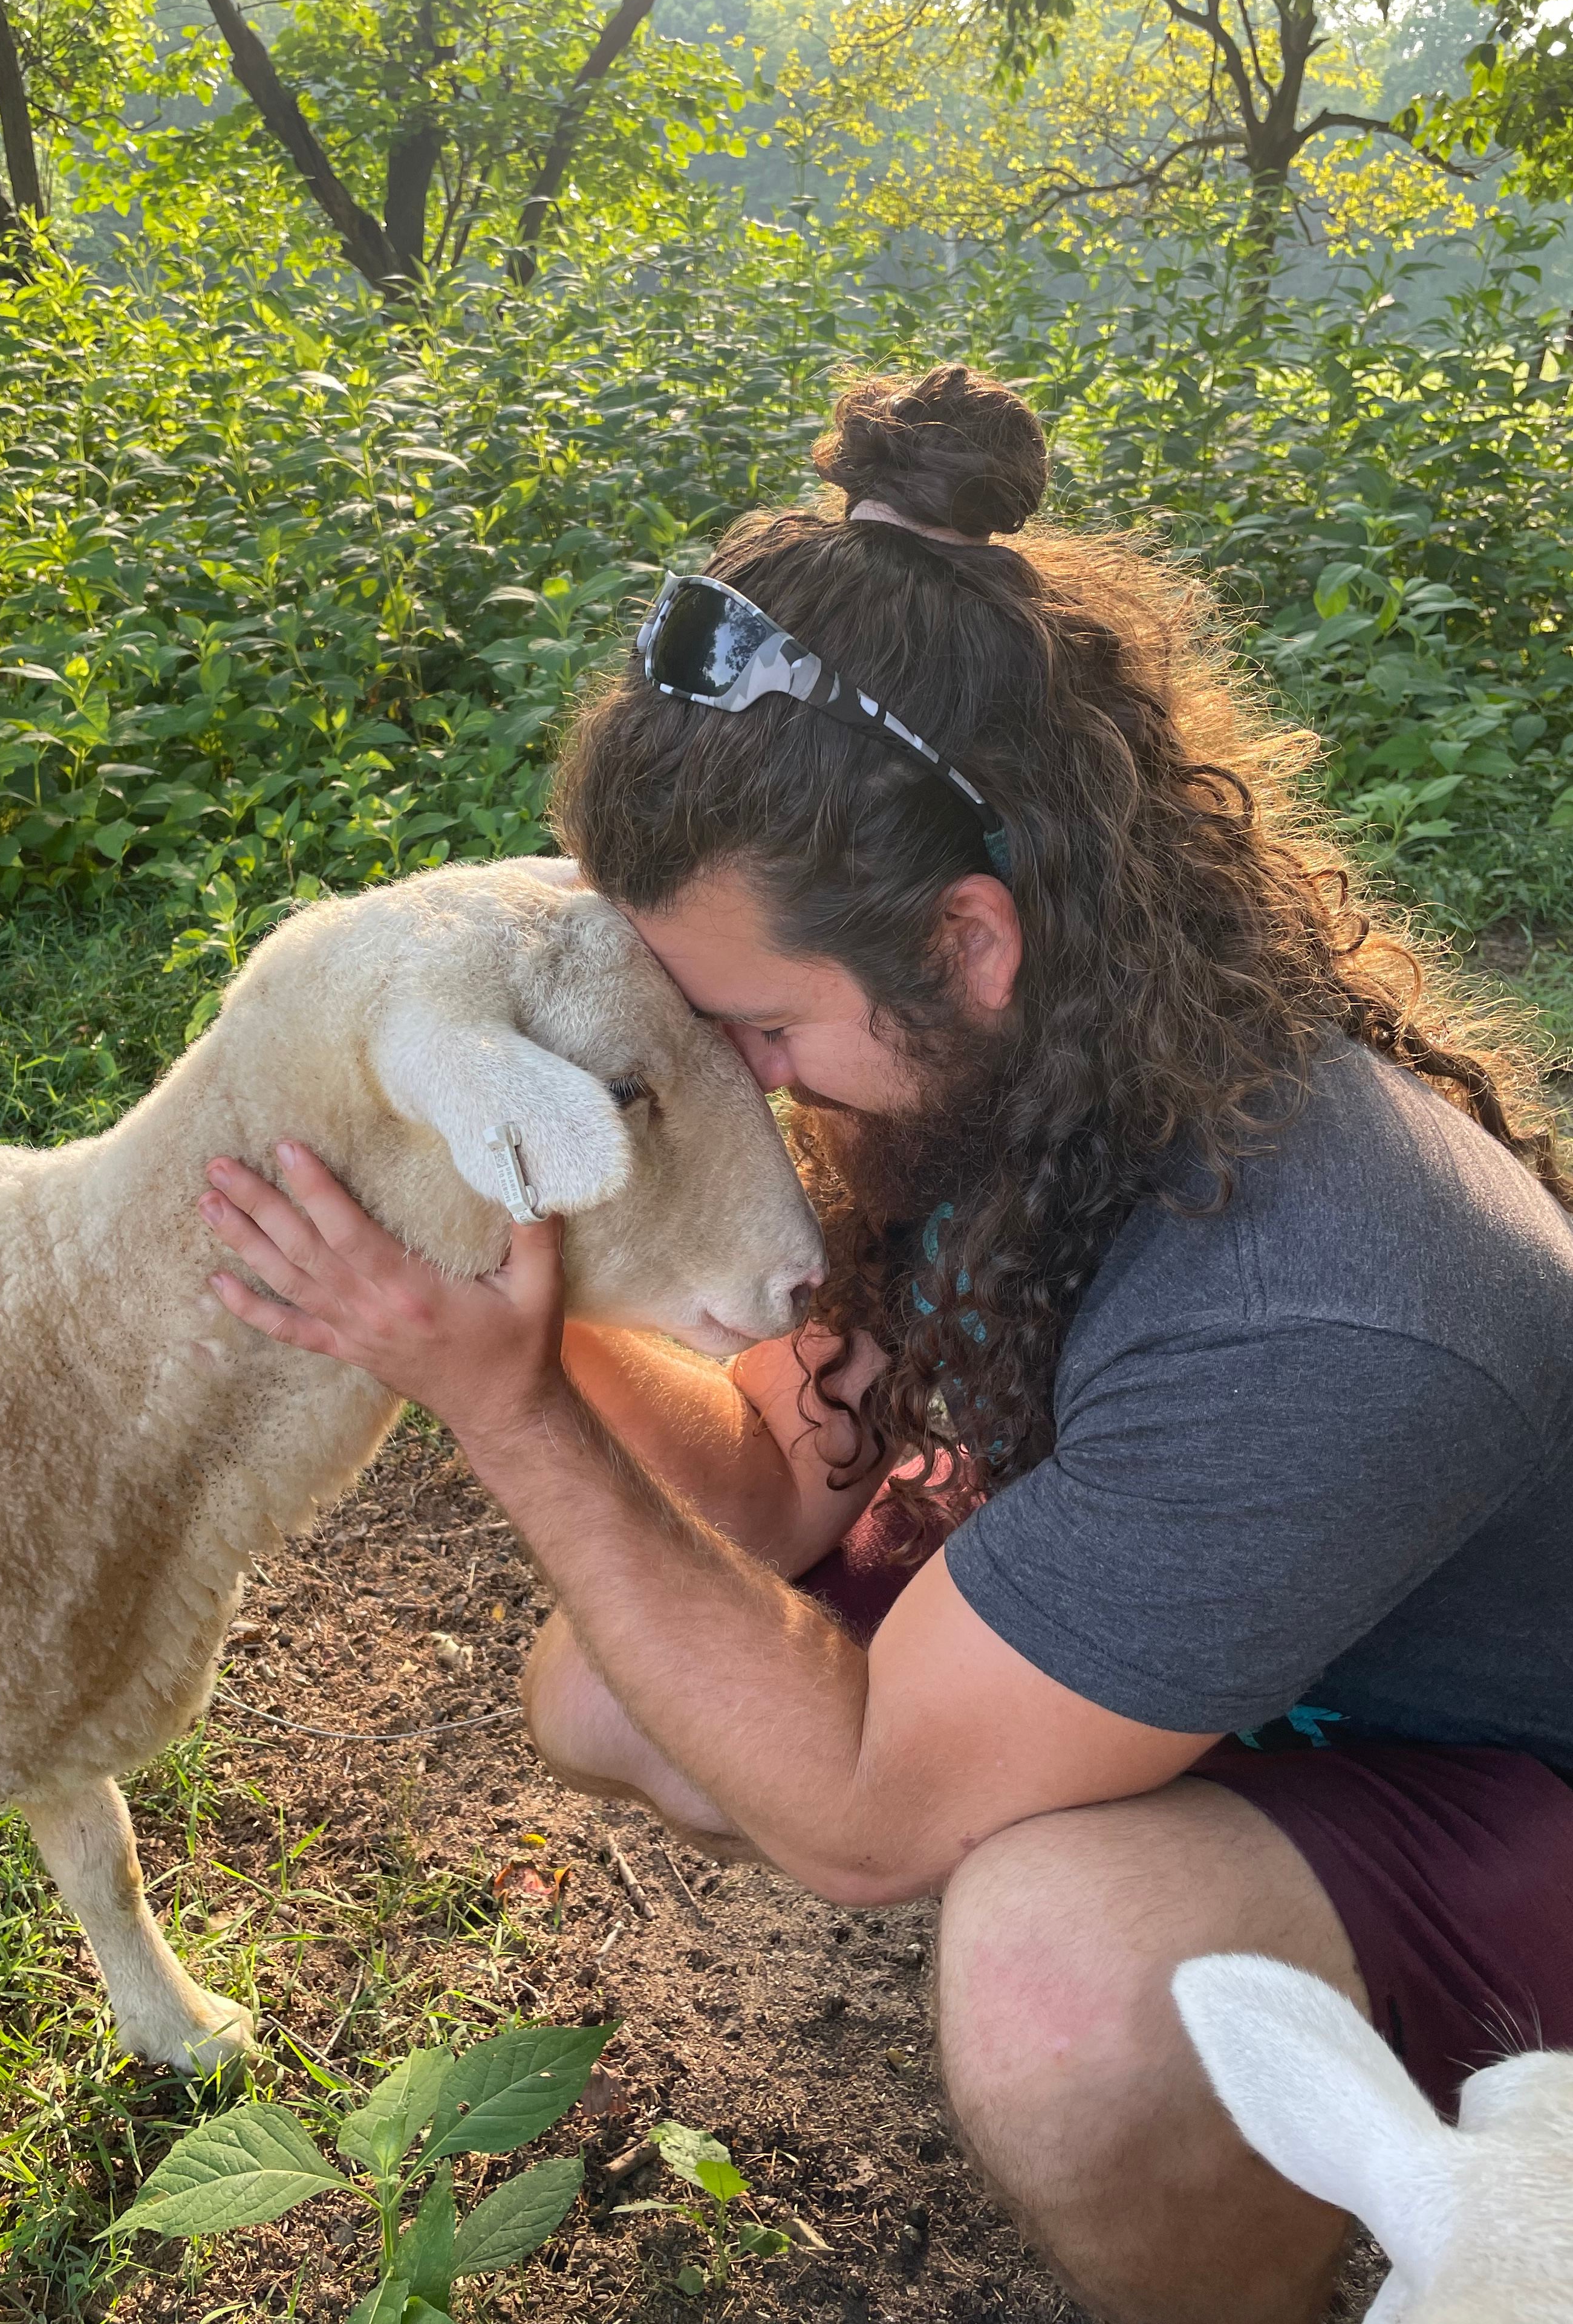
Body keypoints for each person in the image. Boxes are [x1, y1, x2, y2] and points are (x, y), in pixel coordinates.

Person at [193, 365, 1573, 2324]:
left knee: (1063, 1979)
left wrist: (496, 1415)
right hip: (1283, 1667)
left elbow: (847, 1812)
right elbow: (770, 1479)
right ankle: (1133, 1837)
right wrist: (517, 1316)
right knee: (615, 1689)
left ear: (974, 943)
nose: (748, 1094)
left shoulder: (1331, 1303)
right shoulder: (1005, 1083)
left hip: (1511, 1776)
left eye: (761, 1033)